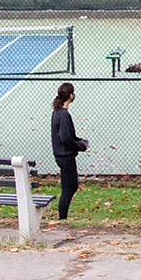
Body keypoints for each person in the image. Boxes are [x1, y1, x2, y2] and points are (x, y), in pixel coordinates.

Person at [52, 83, 88, 221]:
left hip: (62, 155)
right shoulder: (64, 115)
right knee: (68, 189)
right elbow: (65, 138)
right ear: (71, 95)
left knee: (71, 187)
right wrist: (79, 147)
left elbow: (67, 135)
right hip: (65, 157)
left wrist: (79, 140)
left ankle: (63, 217)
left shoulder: (57, 112)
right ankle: (62, 219)